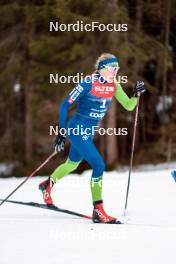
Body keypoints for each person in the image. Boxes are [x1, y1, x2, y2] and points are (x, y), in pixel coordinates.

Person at [39, 53, 145, 224]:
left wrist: (136, 94)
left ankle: (47, 185)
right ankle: (98, 210)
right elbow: (65, 105)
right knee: (99, 164)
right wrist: (61, 132)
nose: (115, 71)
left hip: (88, 131)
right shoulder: (88, 82)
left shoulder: (114, 84)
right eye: (112, 68)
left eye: (117, 68)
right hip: (76, 128)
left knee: (72, 164)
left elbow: (128, 106)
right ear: (102, 69)